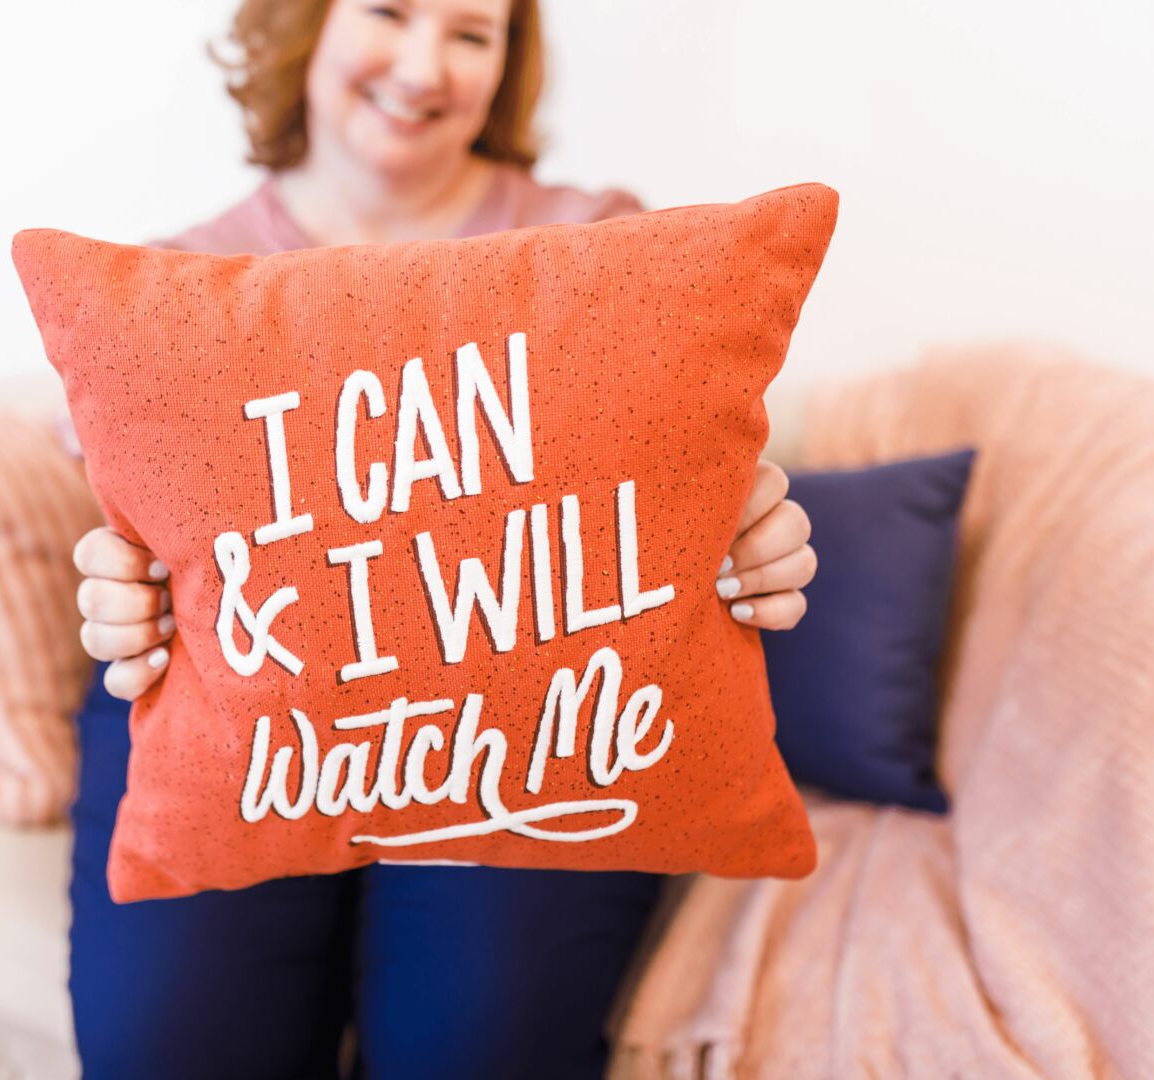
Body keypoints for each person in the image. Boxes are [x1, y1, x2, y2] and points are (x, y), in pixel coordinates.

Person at [66, 1, 817, 1077]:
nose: (425, 67)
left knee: (479, 1041)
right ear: (306, 26)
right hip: (248, 709)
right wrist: (126, 592)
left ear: (509, 61)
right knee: (170, 1044)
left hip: (536, 708)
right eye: (388, 10)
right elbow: (133, 546)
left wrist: (738, 539)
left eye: (473, 32)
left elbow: (671, 492)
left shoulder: (600, 241)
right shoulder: (175, 285)